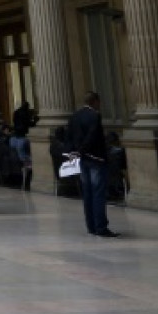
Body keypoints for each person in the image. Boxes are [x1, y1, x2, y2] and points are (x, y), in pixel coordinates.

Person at [65, 91, 118, 238]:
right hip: (95, 158)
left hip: (82, 159)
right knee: (98, 193)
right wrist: (82, 151)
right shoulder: (94, 116)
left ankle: (91, 226)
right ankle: (101, 227)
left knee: (87, 193)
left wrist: (72, 152)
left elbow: (68, 136)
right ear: (95, 101)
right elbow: (93, 136)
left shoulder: (75, 116)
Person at [11, 100, 38, 192]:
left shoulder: (16, 113)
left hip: (17, 136)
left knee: (22, 156)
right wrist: (35, 120)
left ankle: (25, 169)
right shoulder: (25, 113)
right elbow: (28, 123)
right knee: (25, 157)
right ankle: (27, 168)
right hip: (23, 136)